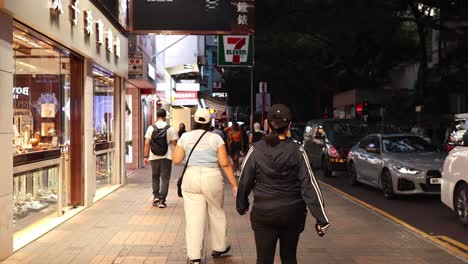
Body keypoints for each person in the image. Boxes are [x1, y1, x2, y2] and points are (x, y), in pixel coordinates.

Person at [236, 104, 330, 264]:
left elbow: (244, 180)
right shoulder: (298, 151)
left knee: (264, 260)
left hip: (264, 213)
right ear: (290, 125)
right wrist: (321, 218)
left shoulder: (256, 150)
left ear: (267, 124)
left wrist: (242, 205)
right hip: (292, 213)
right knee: (289, 257)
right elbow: (310, 185)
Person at [172, 108, 238, 264]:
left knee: (194, 217)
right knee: (216, 211)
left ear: (195, 121)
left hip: (191, 177)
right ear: (209, 122)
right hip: (212, 177)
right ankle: (219, 247)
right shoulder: (216, 139)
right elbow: (224, 163)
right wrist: (235, 184)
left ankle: (194, 256)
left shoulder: (186, 137)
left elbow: (176, 160)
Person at [143, 109, 178, 208]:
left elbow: (147, 143)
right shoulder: (170, 129)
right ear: (165, 117)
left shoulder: (151, 128)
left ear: (157, 116)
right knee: (165, 178)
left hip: (153, 157)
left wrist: (145, 156)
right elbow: (175, 143)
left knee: (155, 177)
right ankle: (162, 201)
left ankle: (156, 197)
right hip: (166, 157)